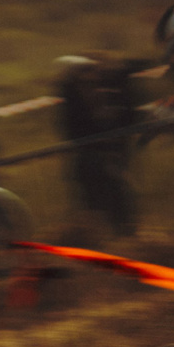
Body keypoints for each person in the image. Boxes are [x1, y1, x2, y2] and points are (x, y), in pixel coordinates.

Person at [54, 56, 139, 236]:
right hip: (91, 156)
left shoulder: (99, 90)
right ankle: (111, 233)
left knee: (115, 196)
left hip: (104, 154)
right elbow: (73, 127)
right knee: (97, 199)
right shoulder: (73, 96)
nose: (91, 77)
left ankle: (123, 231)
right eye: (86, 73)